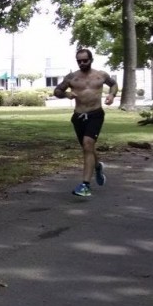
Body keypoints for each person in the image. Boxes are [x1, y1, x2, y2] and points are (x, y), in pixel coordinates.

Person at [53, 48, 118, 197]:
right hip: (79, 116)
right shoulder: (72, 77)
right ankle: (97, 167)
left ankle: (85, 185)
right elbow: (57, 91)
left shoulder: (101, 75)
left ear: (91, 60)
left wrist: (111, 95)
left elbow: (113, 84)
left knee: (88, 144)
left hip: (95, 114)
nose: (82, 63)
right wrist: (66, 94)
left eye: (85, 60)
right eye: (79, 61)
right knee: (88, 147)